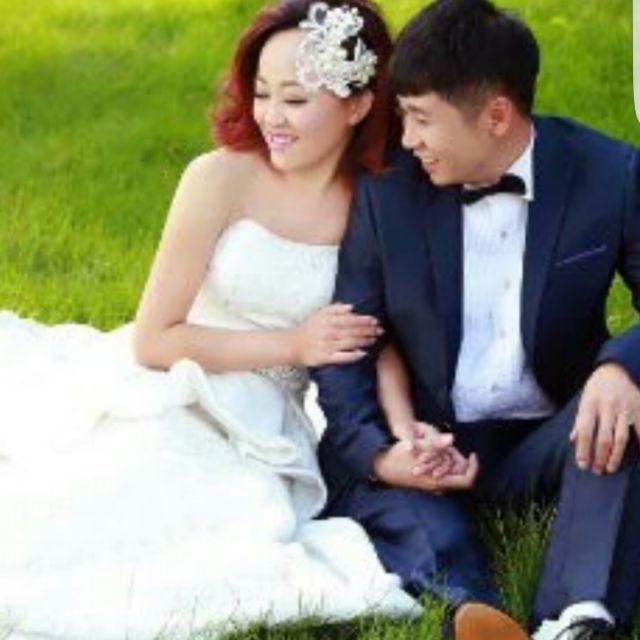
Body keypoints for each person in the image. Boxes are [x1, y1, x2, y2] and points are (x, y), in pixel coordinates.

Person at [0, 2, 426, 638]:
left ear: (358, 105)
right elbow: (153, 339)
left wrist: (403, 426)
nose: (271, 116)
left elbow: (376, 338)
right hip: (180, 382)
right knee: (86, 502)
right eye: (262, 93)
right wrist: (293, 344)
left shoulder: (374, 203)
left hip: (271, 424)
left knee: (224, 526)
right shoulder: (220, 177)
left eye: (294, 99)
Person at [313, 1, 640, 639]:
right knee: (411, 516)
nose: (408, 138)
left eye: (421, 118)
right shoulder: (387, 191)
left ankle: (579, 618)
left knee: (618, 421)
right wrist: (385, 454)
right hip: (429, 442)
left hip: (550, 434)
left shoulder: (609, 174)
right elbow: (349, 346)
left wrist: (622, 367)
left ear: (496, 115)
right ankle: (475, 615)